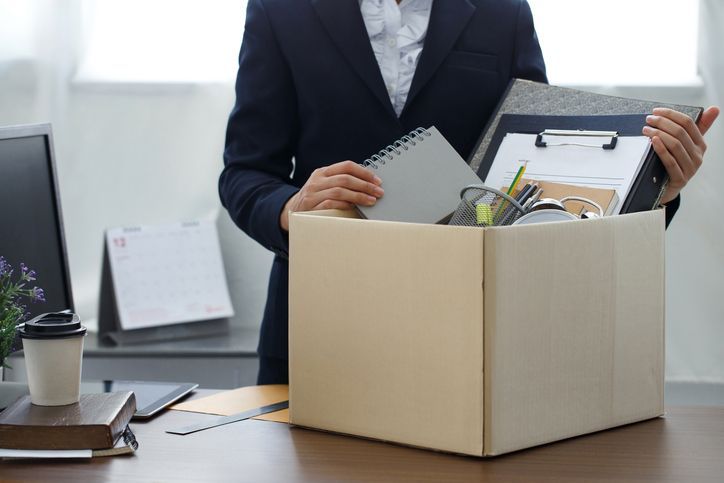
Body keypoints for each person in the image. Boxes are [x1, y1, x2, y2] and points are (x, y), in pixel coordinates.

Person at [219, 0, 719, 385]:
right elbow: (244, 171)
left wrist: (658, 188)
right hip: (318, 320)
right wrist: (289, 207)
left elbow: (538, 176)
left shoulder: (503, 11)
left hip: (467, 326)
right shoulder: (278, 9)